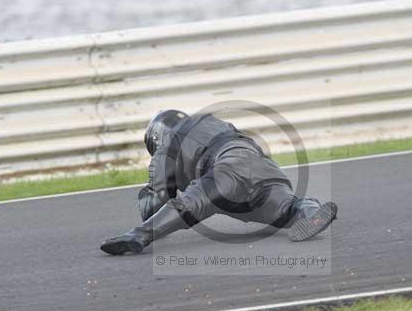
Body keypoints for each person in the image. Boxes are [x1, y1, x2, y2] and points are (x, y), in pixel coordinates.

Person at [100, 109, 338, 255]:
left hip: (226, 172)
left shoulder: (168, 144)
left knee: (188, 205)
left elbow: (155, 201)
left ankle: (137, 236)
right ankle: (312, 210)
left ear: (156, 135)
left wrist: (155, 191)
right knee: (287, 209)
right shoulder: (216, 123)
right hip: (264, 168)